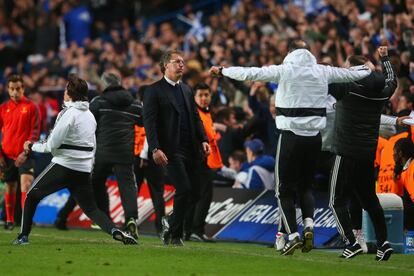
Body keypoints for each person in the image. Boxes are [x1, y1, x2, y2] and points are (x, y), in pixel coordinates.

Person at [210, 39, 371, 255]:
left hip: (290, 137)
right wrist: (373, 67)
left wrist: (223, 71)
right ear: (308, 52)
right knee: (305, 187)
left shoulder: (284, 70)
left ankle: (293, 235)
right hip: (315, 138)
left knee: (283, 190)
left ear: (289, 52)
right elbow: (353, 73)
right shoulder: (324, 71)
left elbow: (251, 73)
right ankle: (309, 225)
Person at [12, 74, 137, 245]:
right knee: (92, 209)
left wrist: (32, 146)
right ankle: (115, 230)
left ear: (69, 94)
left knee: (32, 196)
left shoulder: (68, 113)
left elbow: (51, 145)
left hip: (64, 165)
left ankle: (23, 236)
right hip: (83, 169)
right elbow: (93, 145)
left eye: (65, 89)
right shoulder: (90, 116)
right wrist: (88, 165)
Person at [328, 46, 397, 260]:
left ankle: (351, 242)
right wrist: (385, 59)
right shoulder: (382, 93)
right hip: (367, 153)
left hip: (345, 152)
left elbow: (326, 78)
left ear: (353, 70)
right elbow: (392, 80)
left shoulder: (347, 89)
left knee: (335, 200)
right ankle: (383, 243)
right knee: (369, 199)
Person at [143, 50, 210, 246]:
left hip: (191, 149)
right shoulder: (153, 90)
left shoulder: (187, 90)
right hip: (170, 150)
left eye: (183, 61)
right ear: (165, 66)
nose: (181, 64)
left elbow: (196, 117)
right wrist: (155, 148)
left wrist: (203, 138)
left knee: (195, 192)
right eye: (177, 62)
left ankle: (170, 222)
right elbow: (150, 122)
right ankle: (174, 235)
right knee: (184, 188)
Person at [89, 72, 142, 239]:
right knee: (127, 186)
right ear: (120, 84)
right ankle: (131, 218)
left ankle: (104, 217)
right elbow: (145, 121)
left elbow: (88, 122)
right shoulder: (134, 104)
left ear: (104, 85)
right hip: (125, 152)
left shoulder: (99, 102)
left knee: (96, 181)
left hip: (103, 152)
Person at [0, 75, 40, 230]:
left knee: (26, 185)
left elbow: (35, 133)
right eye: (12, 89)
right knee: (10, 187)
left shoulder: (31, 107)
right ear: (8, 89)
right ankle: (9, 220)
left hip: (26, 155)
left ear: (23, 89)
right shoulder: (3, 108)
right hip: (7, 156)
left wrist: (25, 152)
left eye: (18, 89)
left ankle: (25, 221)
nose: (15, 92)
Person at [184, 82, 223, 242]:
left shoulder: (205, 113)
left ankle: (190, 230)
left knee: (197, 196)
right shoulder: (195, 114)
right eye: (200, 95)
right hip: (199, 160)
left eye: (206, 95)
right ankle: (195, 229)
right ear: (194, 97)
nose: (204, 98)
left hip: (206, 161)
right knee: (201, 196)